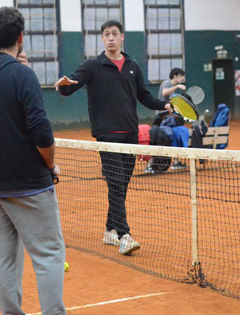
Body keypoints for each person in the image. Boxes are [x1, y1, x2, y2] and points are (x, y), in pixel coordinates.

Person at [0, 6, 98, 315]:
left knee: (6, 258)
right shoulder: (22, 76)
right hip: (27, 181)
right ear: (20, 37)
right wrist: (50, 165)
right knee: (50, 254)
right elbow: (41, 131)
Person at [55, 20, 172, 255]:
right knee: (116, 182)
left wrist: (165, 105)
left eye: (114, 34)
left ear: (122, 38)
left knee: (121, 184)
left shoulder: (132, 66)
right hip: (107, 135)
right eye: (106, 34)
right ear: (101, 39)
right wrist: (62, 86)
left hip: (130, 134)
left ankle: (110, 228)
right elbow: (70, 86)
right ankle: (124, 235)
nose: (110, 38)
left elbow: (144, 96)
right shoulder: (92, 66)